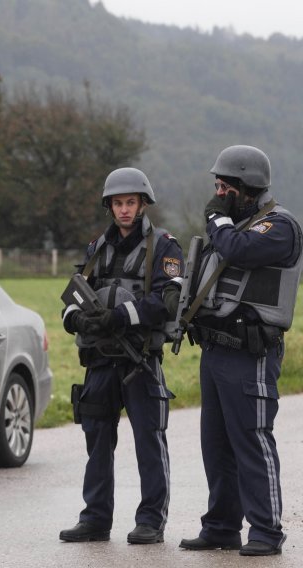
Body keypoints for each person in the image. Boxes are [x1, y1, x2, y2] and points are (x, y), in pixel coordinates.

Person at [179, 145, 302, 557]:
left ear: (246, 187)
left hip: (251, 354)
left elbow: (240, 250)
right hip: (216, 350)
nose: (217, 193)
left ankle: (266, 531)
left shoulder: (279, 227)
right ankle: (221, 527)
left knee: (251, 440)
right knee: (215, 444)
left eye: (223, 186)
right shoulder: (233, 225)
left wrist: (216, 219)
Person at [59, 167, 183, 545]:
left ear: (142, 204)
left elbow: (168, 299)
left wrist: (119, 316)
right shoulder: (97, 248)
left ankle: (150, 520)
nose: (125, 210)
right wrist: (76, 318)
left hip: (139, 361)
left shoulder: (164, 246)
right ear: (109, 206)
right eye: (118, 203)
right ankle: (95, 519)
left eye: (131, 202)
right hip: (100, 361)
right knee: (96, 439)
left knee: (149, 439)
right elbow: (72, 296)